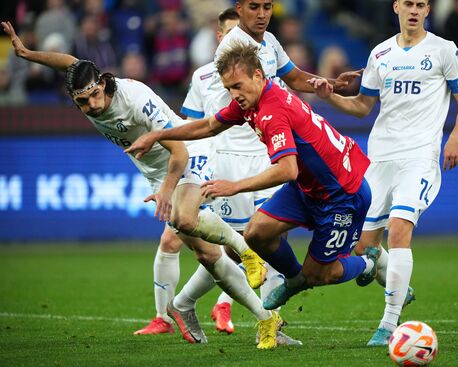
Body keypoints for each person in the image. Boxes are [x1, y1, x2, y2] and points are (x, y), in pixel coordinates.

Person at [2, 20, 282, 350]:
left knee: (184, 219)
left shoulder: (132, 100)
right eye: (83, 102)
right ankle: (262, 318)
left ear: (103, 84)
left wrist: (165, 189)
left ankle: (247, 252)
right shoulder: (85, 82)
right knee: (207, 256)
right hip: (155, 170)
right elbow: (68, 62)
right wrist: (26, 53)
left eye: (94, 96)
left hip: (186, 155)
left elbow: (177, 150)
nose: (92, 105)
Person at [125, 42, 379, 316]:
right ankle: (294, 280)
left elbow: (287, 170)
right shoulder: (252, 100)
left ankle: (366, 263)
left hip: (342, 194)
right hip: (308, 188)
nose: (234, 94)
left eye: (238, 85)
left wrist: (234, 186)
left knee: (318, 275)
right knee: (256, 234)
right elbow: (210, 125)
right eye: (229, 89)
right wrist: (159, 135)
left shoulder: (273, 111)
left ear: (258, 75)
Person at [308, 0, 458, 347]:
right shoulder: (380, 53)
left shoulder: (444, 50)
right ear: (397, 6)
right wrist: (329, 96)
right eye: (408, 3)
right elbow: (363, 107)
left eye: (421, 4)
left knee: (399, 230)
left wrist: (455, 137)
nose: (414, 10)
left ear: (427, 10)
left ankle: (388, 324)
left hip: (419, 158)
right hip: (380, 159)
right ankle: (400, 285)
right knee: (361, 246)